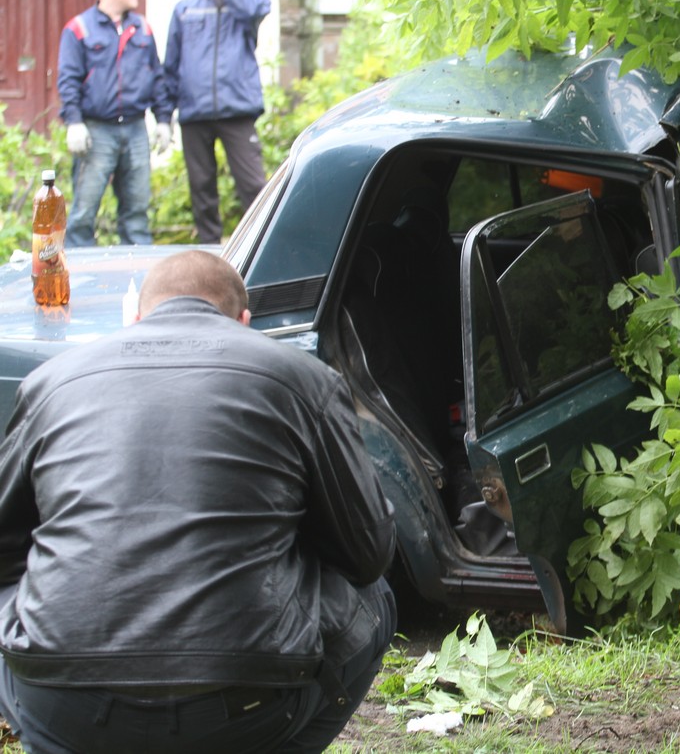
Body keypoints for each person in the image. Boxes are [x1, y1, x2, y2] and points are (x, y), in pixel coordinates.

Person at [0, 250, 397, 754]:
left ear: (136, 316)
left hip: (62, 701)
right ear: (244, 321)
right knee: (376, 596)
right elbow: (367, 554)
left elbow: (5, 547)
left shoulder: (51, 381)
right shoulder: (305, 379)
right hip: (244, 705)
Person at [57, 0, 173, 247]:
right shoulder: (79, 29)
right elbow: (68, 79)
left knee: (136, 213)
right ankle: (81, 281)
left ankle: (139, 280)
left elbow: (156, 77)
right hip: (97, 132)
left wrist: (163, 120)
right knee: (84, 213)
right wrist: (74, 122)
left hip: (135, 130)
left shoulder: (142, 28)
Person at [165, 0, 273, 244]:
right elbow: (171, 64)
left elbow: (255, 8)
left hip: (236, 109)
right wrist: (164, 115)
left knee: (253, 184)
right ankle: (209, 248)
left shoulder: (247, 3)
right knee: (201, 186)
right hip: (194, 111)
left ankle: (260, 245)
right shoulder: (186, 8)